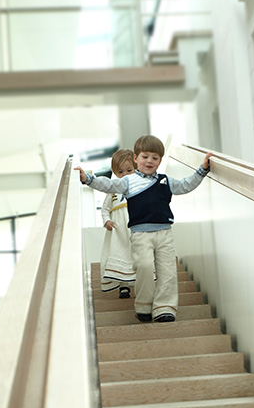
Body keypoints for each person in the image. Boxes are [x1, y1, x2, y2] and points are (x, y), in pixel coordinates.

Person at [75, 135, 212, 323]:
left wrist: (202, 170)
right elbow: (108, 185)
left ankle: (165, 307)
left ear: (160, 161)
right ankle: (144, 305)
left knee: (167, 271)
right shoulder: (128, 181)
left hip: (165, 233)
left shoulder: (165, 180)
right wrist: (88, 179)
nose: (149, 161)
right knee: (145, 267)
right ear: (136, 158)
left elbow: (186, 185)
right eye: (145, 156)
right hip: (140, 234)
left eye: (155, 158)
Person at [100, 149, 136, 298]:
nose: (125, 174)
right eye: (120, 172)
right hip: (118, 231)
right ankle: (123, 285)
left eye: (129, 170)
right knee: (120, 254)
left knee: (136, 254)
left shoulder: (139, 186)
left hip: (135, 227)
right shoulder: (112, 190)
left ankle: (140, 282)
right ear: (115, 172)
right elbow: (105, 209)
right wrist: (107, 221)